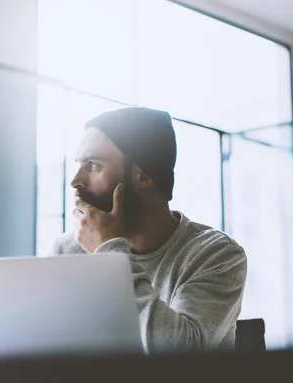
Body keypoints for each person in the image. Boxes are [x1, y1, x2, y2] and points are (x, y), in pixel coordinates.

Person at [52, 107, 247, 354]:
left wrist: (110, 256)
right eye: (79, 164)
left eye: (93, 165)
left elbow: (178, 357)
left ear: (142, 176)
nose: (75, 180)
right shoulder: (69, 250)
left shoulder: (217, 255)